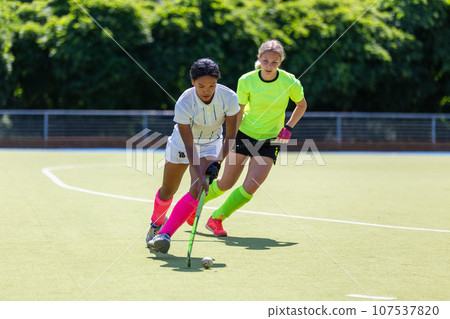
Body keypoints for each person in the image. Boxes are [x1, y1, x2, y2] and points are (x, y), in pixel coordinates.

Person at [201, 39, 307, 236]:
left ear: (280, 62)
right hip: (245, 134)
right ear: (259, 58)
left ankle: (217, 218)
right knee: (225, 183)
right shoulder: (246, 80)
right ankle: (194, 204)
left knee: (251, 187)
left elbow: (301, 105)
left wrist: (288, 127)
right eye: (265, 61)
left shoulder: (290, 82)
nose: (269, 66)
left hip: (270, 140)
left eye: (274, 62)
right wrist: (232, 137)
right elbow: (238, 111)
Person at [146, 58, 239, 253]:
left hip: (211, 144)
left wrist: (217, 162)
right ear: (192, 82)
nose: (207, 90)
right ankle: (156, 223)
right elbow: (189, 145)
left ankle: (165, 234)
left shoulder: (229, 97)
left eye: (212, 85)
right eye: (201, 85)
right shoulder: (184, 102)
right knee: (168, 190)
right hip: (183, 143)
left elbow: (231, 135)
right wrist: (198, 169)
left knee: (198, 187)